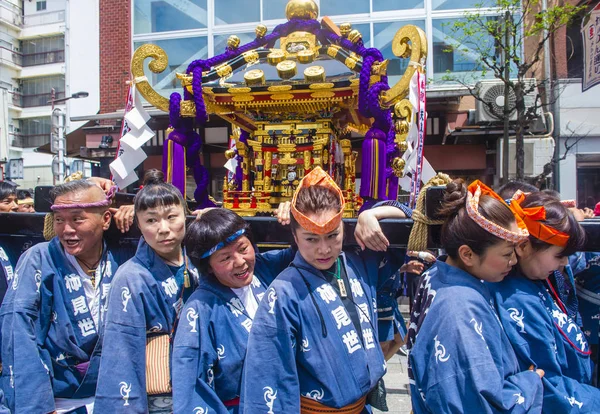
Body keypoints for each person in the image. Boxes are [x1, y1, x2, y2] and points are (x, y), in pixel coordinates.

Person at [240, 167, 410, 413]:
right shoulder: (283, 292)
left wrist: (370, 214)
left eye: (333, 235)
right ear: (295, 238)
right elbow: (268, 373)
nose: (324, 249)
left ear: (345, 228)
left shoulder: (358, 263)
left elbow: (409, 216)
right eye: (311, 239)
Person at [407, 179, 544, 413]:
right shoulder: (459, 310)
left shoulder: (437, 274)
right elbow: (478, 403)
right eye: (506, 254)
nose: (513, 261)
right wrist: (530, 381)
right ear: (468, 254)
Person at [0, 178, 118, 413]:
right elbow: (19, 331)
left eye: (77, 219)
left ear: (105, 219)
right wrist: (39, 406)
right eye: (60, 220)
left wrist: (133, 212)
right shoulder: (39, 259)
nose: (67, 230)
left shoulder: (121, 255)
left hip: (113, 396)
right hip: (56, 401)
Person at [172, 208, 296, 413]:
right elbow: (190, 383)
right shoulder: (200, 308)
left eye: (243, 248)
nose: (240, 262)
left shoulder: (267, 270)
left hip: (286, 402)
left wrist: (294, 216)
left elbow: (310, 249)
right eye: (225, 258)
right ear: (208, 266)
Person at [95, 170, 198, 413]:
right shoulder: (131, 277)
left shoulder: (199, 260)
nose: (163, 228)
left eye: (172, 216)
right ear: (138, 225)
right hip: (160, 392)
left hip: (200, 381)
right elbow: (121, 351)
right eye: (151, 220)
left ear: (186, 215)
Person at [492, 191, 600, 411]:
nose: (565, 263)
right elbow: (545, 383)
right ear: (522, 246)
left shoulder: (543, 278)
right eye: (559, 255)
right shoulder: (516, 299)